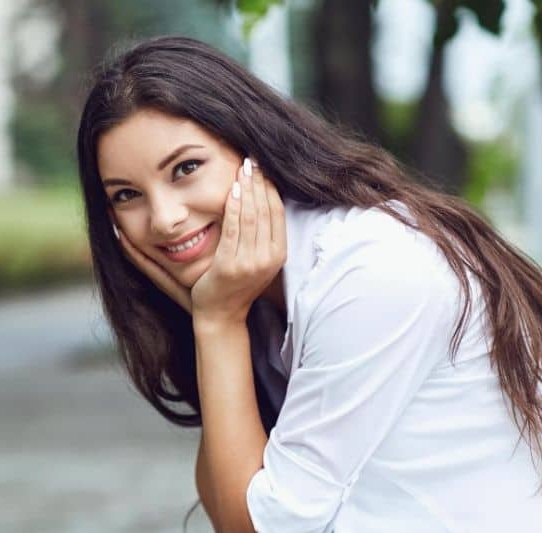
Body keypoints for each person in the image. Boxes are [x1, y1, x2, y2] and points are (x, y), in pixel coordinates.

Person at [75, 35, 542, 532]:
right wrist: (213, 321)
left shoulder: (372, 272)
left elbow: (252, 526)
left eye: (186, 169)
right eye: (127, 195)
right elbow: (225, 501)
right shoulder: (252, 293)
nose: (165, 219)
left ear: (252, 147)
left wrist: (216, 323)